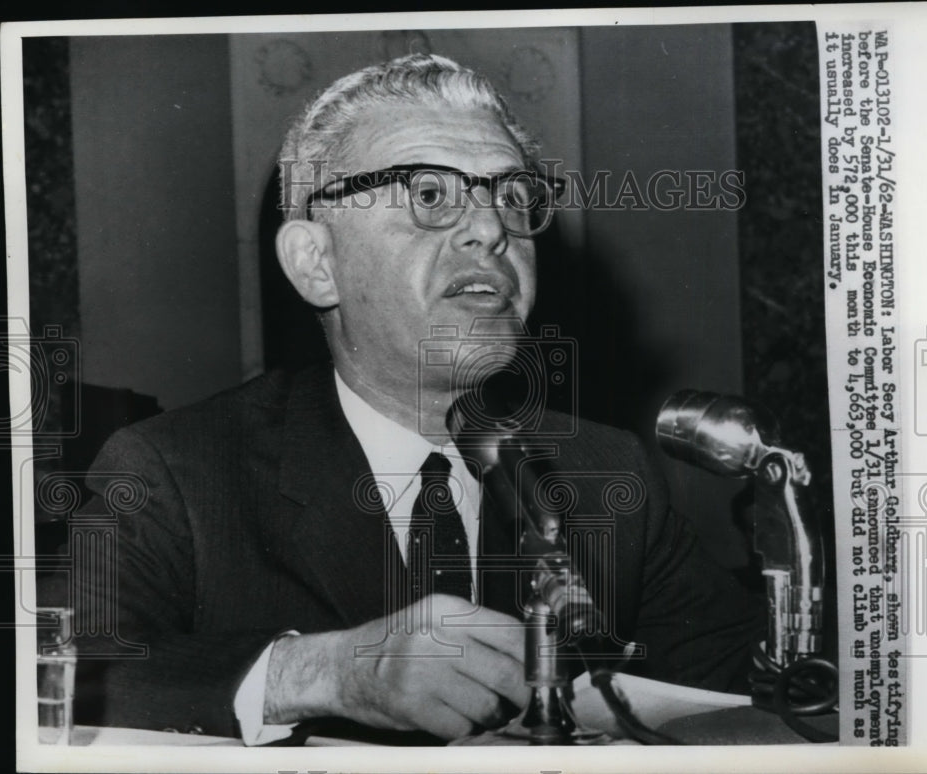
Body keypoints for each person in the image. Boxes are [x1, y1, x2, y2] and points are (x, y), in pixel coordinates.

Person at [77, 53, 762, 744]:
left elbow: (740, 694)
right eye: (430, 196)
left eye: (512, 197)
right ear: (317, 264)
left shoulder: (603, 470)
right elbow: (70, 676)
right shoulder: (174, 470)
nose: (492, 229)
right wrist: (320, 673)